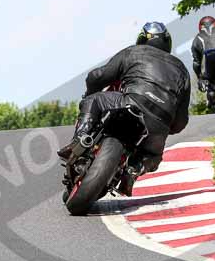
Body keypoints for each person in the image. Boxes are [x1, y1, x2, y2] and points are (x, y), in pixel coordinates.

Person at [57, 22, 191, 196]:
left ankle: (80, 139)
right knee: (153, 156)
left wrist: (91, 92)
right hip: (160, 120)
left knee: (94, 100)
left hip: (132, 100)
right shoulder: (182, 69)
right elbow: (181, 120)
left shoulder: (133, 52)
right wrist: (166, 127)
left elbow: (98, 76)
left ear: (141, 39)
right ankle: (132, 172)